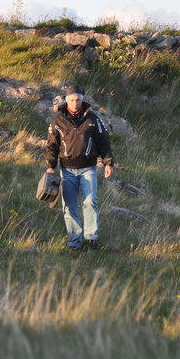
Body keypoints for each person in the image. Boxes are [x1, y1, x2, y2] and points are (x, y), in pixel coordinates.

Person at [45, 84, 114, 250]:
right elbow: (51, 146)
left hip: (88, 168)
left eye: (78, 100)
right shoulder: (57, 122)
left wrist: (108, 162)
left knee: (90, 201)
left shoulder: (93, 119)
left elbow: (104, 142)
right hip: (66, 170)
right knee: (69, 206)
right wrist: (50, 166)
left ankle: (91, 238)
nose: (75, 103)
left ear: (83, 100)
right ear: (66, 100)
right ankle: (74, 242)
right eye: (72, 100)